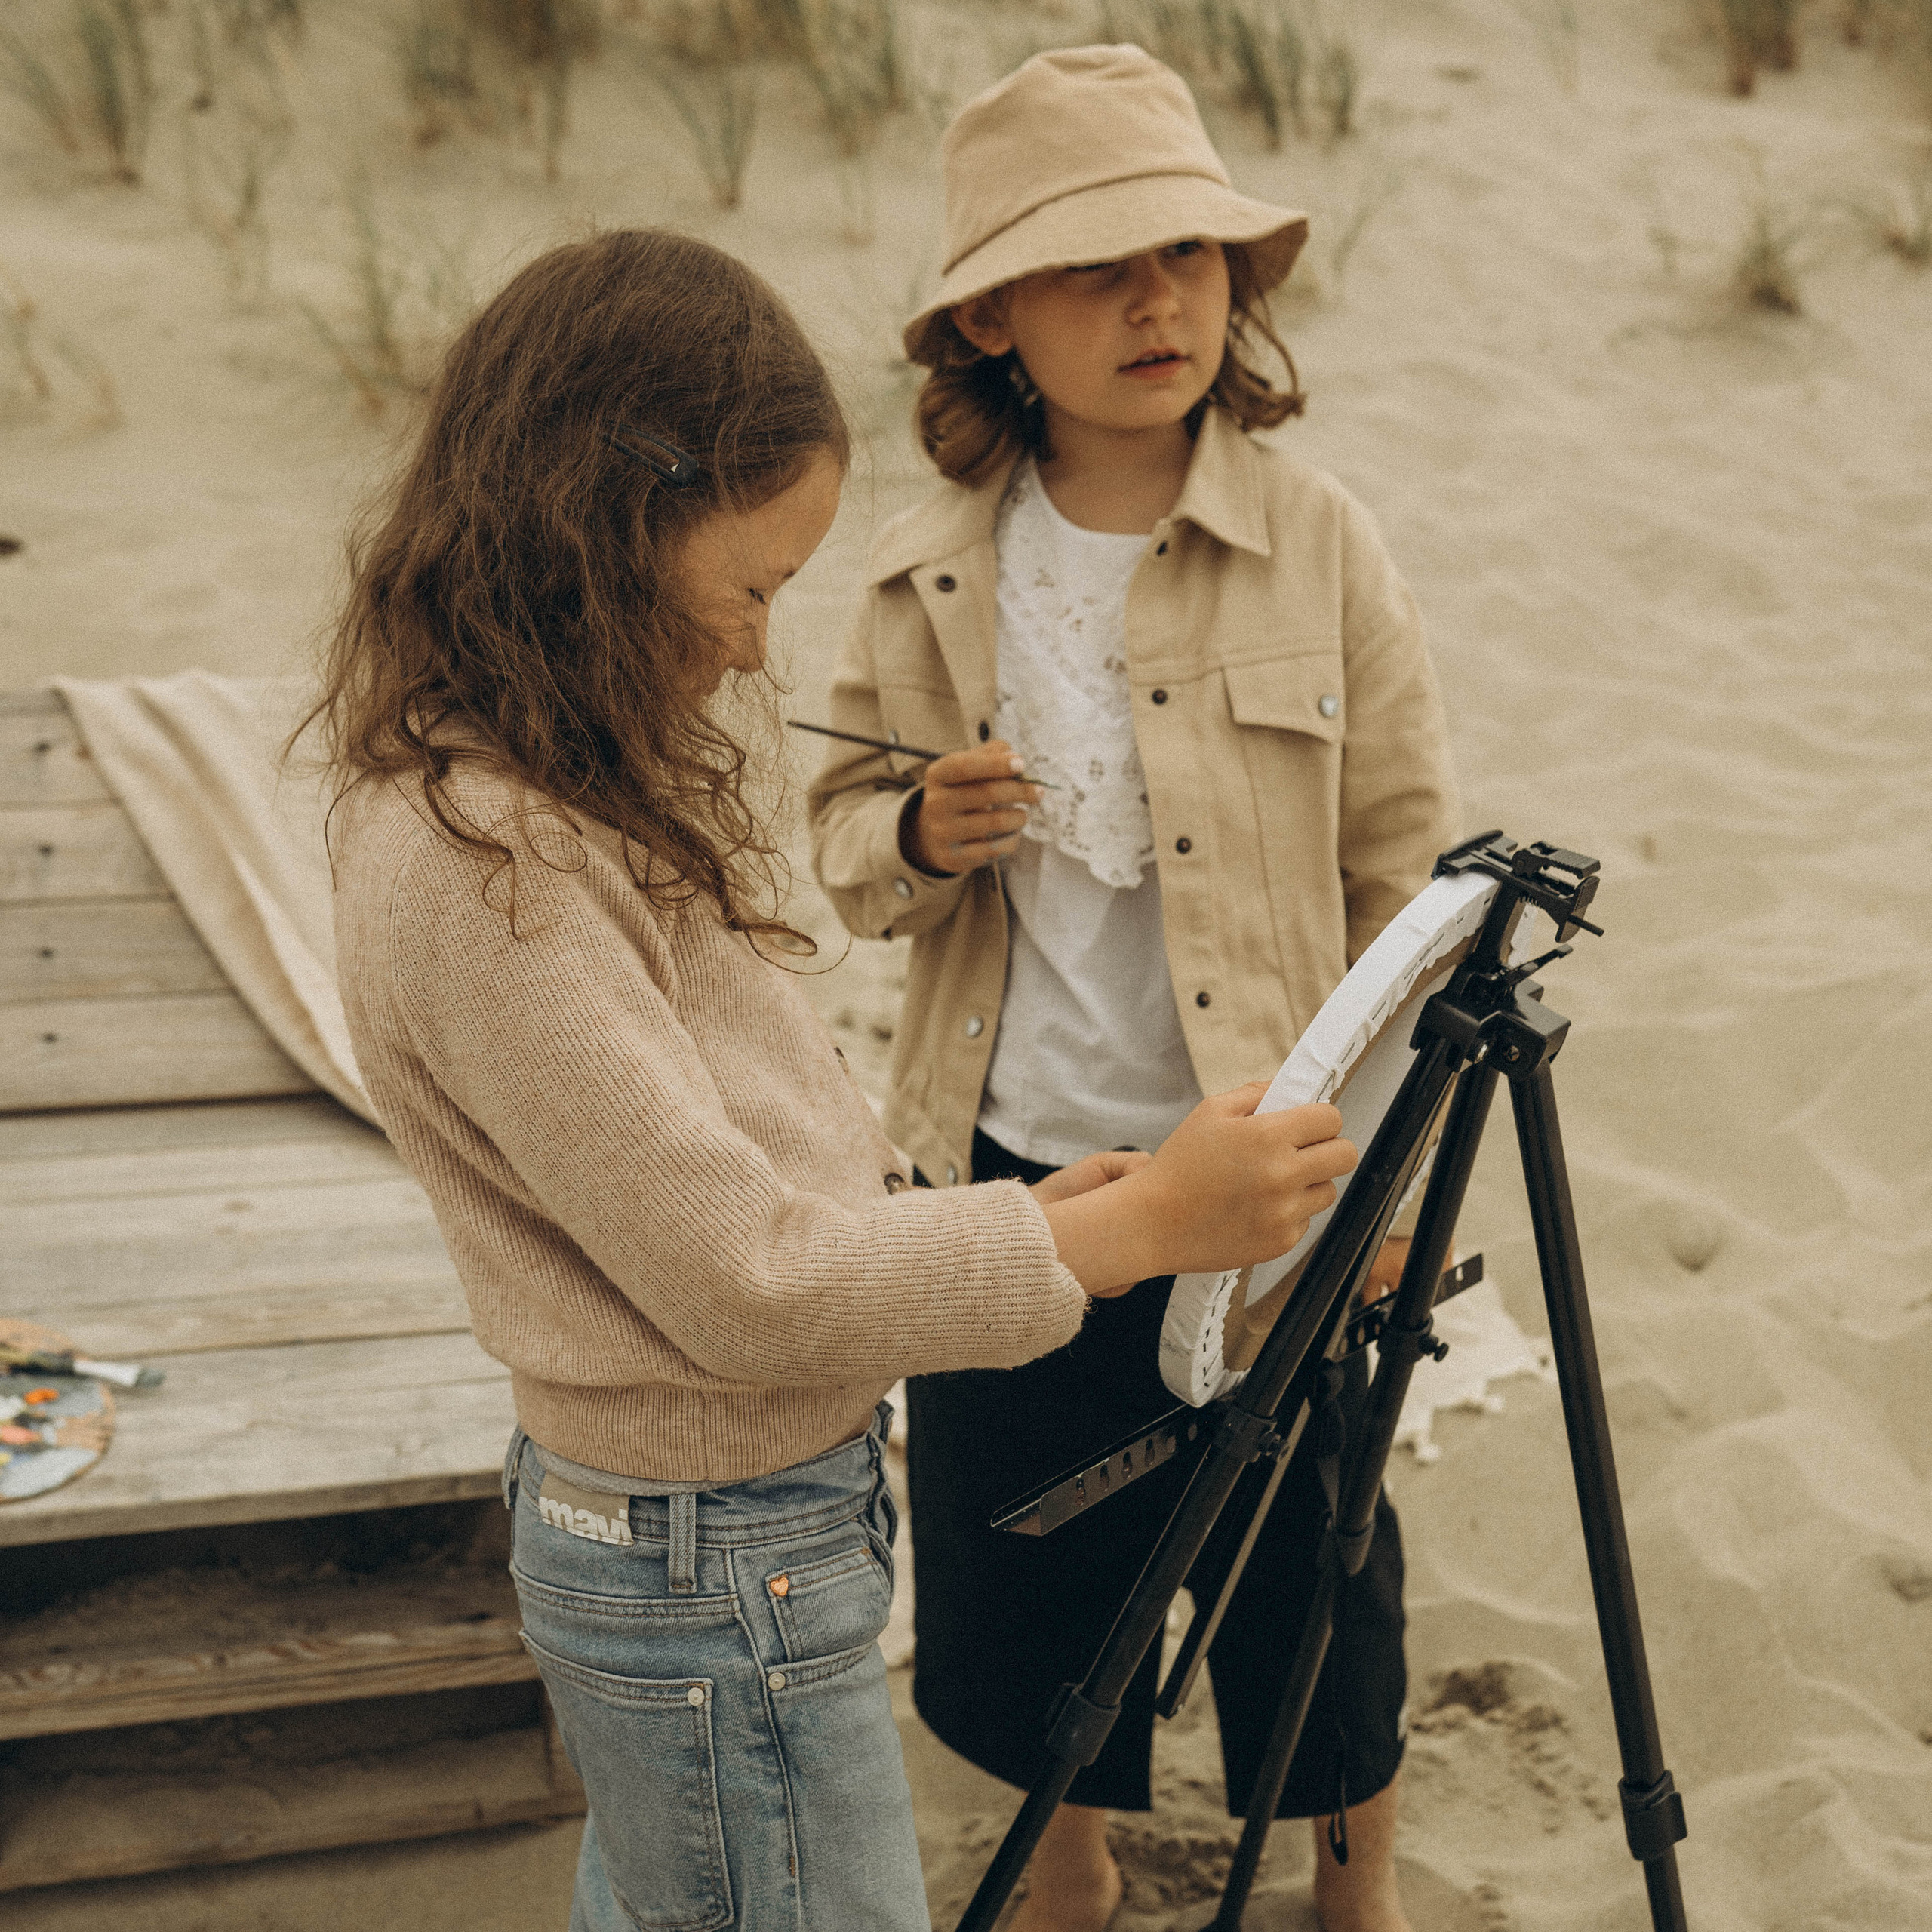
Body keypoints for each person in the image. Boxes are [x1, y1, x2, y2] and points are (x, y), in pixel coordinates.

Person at [315, 227, 1360, 1932]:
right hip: (702, 1560)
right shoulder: (482, 860)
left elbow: (744, 1158)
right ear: (593, 538)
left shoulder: (535, 782)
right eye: (747, 590)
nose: (747, 653)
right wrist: (1132, 1230)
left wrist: (1027, 1209)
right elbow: (745, 1280)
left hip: (721, 1536)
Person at [807, 48, 1460, 1932]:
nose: (1156, 298)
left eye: (1184, 249)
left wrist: (1393, 1181)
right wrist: (920, 830)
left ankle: (1356, 1895)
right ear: (991, 318)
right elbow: (839, 845)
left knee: (1314, 1579)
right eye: (1094, 267)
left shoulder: (1316, 538)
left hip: (1275, 1184)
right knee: (1023, 1581)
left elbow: (1405, 887)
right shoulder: (928, 572)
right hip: (1017, 1180)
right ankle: (1063, 1876)